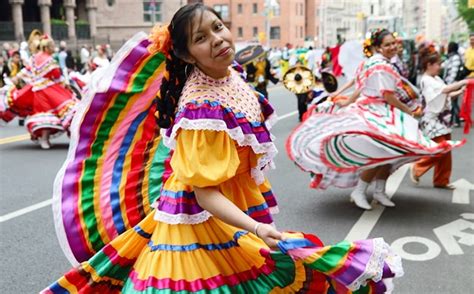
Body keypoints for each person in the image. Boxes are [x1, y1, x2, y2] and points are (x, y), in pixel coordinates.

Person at [43, 4, 402, 293]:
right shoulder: (202, 109)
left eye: (217, 27)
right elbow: (204, 193)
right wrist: (256, 229)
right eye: (201, 37)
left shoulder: (231, 75)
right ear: (186, 56)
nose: (217, 39)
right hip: (196, 226)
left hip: (232, 213)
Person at [287, 29, 464, 210]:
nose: (392, 47)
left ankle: (379, 191)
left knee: (391, 152)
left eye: (393, 43)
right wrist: (409, 112)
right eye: (387, 44)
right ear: (378, 47)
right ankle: (359, 191)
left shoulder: (375, 62)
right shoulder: (381, 65)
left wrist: (347, 100)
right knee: (378, 152)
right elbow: (387, 95)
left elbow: (359, 86)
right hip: (376, 110)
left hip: (382, 109)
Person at [411, 45, 467, 189]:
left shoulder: (435, 78)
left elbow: (446, 93)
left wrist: (460, 91)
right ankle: (418, 168)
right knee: (441, 149)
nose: (440, 67)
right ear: (429, 65)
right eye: (438, 64)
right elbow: (446, 90)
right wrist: (463, 82)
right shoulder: (426, 80)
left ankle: (441, 180)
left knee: (446, 150)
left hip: (441, 120)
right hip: (432, 120)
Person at [11, 35, 77, 149]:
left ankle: (45, 139)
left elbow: (26, 71)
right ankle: (45, 139)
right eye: (52, 46)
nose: (53, 48)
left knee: (48, 113)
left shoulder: (34, 58)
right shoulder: (49, 60)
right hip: (47, 91)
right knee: (59, 110)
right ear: (46, 47)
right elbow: (57, 76)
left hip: (37, 90)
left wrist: (17, 78)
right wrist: (66, 85)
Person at [443, 42, 463, 127]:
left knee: (453, 102)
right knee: (452, 102)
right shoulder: (451, 57)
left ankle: (456, 120)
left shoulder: (455, 58)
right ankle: (452, 120)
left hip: (454, 83)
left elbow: (453, 72)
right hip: (451, 82)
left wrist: (450, 84)